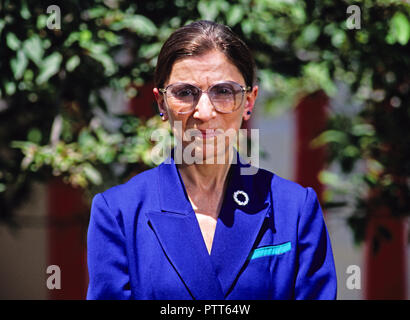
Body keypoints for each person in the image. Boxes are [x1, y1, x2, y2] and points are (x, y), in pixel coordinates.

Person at [86, 20, 337, 300]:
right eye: (184, 92)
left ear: (249, 101)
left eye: (223, 91)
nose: (204, 112)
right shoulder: (118, 212)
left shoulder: (295, 210)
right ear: (161, 104)